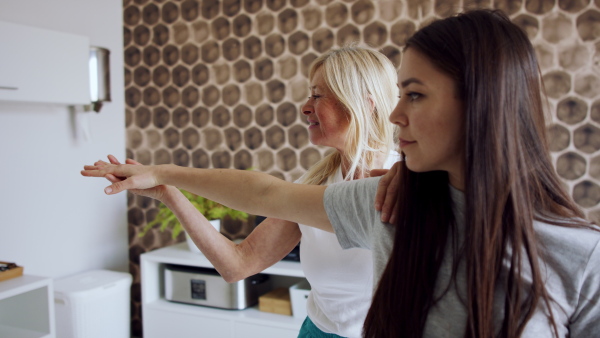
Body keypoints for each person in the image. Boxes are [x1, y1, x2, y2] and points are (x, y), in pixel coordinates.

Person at [82, 9, 600, 337]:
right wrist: (167, 185)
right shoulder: (354, 192)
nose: (304, 107)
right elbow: (246, 242)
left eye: (317, 94)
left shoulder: (397, 191)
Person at [99, 45, 400, 338]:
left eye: (317, 96)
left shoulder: (402, 184)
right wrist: (168, 193)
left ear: (363, 102)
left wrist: (163, 172)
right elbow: (238, 264)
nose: (305, 107)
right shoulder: (314, 184)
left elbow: (262, 194)